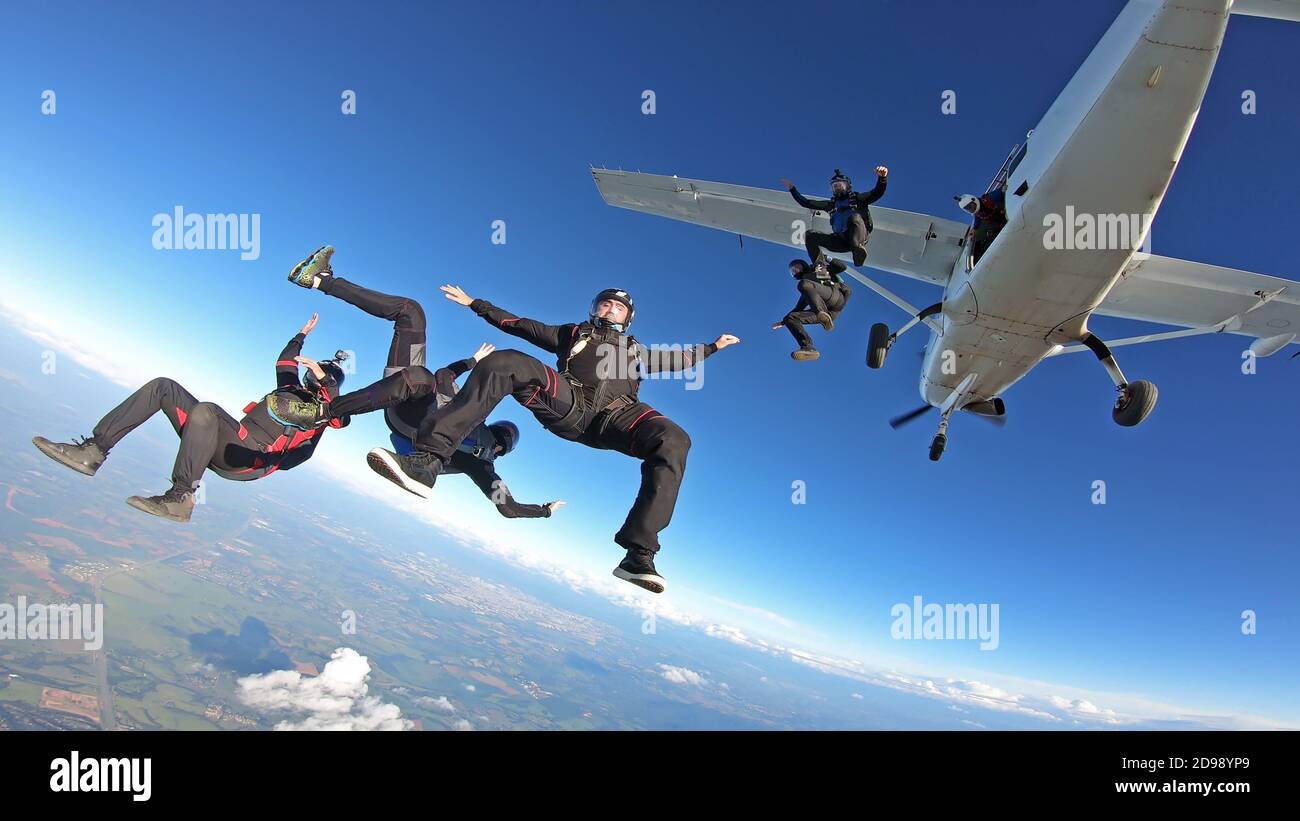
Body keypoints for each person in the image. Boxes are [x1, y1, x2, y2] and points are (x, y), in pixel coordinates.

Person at [362, 284, 740, 594]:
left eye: (617, 308)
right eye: (604, 304)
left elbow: (680, 359)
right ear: (595, 308)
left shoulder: (637, 352)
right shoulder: (571, 335)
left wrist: (713, 347)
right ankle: (426, 462)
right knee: (505, 361)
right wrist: (476, 303)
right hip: (569, 403)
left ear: (628, 318)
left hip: (616, 417)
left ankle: (638, 554)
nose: (609, 310)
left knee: (675, 438)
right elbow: (519, 324)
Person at [287, 246, 562, 519]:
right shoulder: (471, 418)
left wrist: (472, 362)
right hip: (406, 394)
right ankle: (320, 279)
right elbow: (508, 507)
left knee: (422, 378)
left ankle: (324, 412)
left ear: (498, 444)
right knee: (410, 312)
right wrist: (544, 511)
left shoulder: (479, 458)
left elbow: (442, 376)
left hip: (412, 418)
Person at [31, 314, 348, 522]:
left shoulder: (323, 414)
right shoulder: (289, 388)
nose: (311, 375)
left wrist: (327, 380)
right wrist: (301, 335)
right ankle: (93, 451)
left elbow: (341, 417)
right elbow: (285, 361)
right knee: (163, 388)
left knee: (207, 410)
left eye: (316, 376)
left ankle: (181, 497)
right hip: (218, 441)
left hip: (249, 458)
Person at [781, 166, 889, 272]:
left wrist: (882, 178)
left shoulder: (858, 199)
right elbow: (805, 202)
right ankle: (820, 268)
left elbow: (877, 193)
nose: (837, 187)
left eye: (840, 185)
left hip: (858, 237)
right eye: (834, 186)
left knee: (854, 217)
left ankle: (857, 251)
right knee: (810, 235)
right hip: (841, 241)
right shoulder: (831, 205)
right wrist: (792, 189)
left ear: (847, 186)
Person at [774, 258, 852, 360]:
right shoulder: (808, 290)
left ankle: (822, 313)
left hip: (835, 299)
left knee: (804, 284)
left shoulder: (818, 271)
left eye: (797, 268)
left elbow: (841, 267)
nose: (795, 271)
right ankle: (808, 347)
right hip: (828, 314)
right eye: (793, 271)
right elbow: (799, 307)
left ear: (804, 265)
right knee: (791, 318)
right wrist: (783, 322)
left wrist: (827, 259)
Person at [957, 185, 1008, 265]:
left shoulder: (987, 199)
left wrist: (1002, 190)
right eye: (968, 208)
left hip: (1004, 213)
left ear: (973, 199)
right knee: (991, 234)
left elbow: (999, 192)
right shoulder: (977, 214)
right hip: (998, 222)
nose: (971, 209)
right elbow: (977, 223)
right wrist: (974, 229)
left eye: (971, 206)